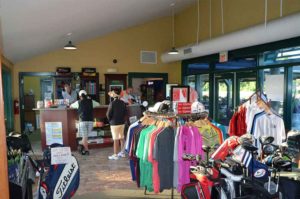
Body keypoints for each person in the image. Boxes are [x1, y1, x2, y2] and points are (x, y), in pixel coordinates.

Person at [70, 90, 100, 155]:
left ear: (80, 96)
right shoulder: (91, 101)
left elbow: (71, 106)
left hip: (82, 121)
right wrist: (89, 100)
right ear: (86, 95)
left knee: (84, 137)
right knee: (85, 137)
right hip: (90, 121)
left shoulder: (78, 102)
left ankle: (86, 150)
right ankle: (85, 149)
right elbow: (98, 104)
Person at [107, 90, 127, 160]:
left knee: (115, 139)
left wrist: (110, 121)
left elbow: (108, 114)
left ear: (114, 95)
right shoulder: (123, 103)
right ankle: (122, 153)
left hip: (114, 123)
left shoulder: (112, 103)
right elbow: (125, 113)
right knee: (121, 138)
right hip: (122, 122)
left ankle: (115, 155)